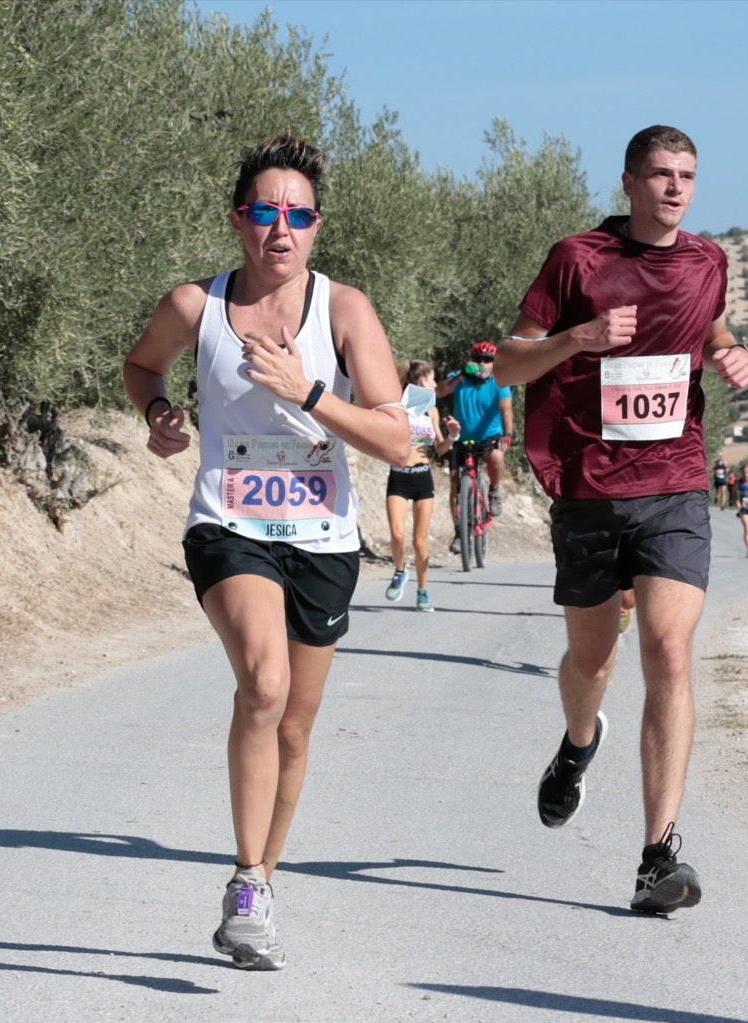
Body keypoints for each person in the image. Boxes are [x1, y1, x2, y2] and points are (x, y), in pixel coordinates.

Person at [121, 135, 409, 971]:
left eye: (299, 215)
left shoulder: (345, 310)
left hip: (323, 538)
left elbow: (396, 438)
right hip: (229, 525)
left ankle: (264, 881)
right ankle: (245, 880)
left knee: (294, 724)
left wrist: (309, 392)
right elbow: (143, 367)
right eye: (264, 212)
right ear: (238, 220)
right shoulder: (195, 307)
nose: (280, 230)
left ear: (318, 226)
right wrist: (160, 413)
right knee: (264, 682)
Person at [494, 124, 748, 915]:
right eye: (661, 174)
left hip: (674, 483)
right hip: (587, 488)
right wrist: (578, 337)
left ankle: (657, 854)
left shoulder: (710, 261)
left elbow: (705, 325)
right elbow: (508, 361)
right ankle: (579, 743)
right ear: (629, 184)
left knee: (669, 651)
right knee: (593, 661)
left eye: (688, 175)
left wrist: (731, 350)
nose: (675, 188)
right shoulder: (578, 259)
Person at [385, 360, 452, 611]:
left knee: (420, 541)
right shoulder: (398, 406)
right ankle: (400, 571)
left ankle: (423, 592)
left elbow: (440, 448)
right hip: (398, 475)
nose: (435, 384)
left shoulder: (431, 410)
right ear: (421, 380)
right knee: (397, 533)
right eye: (432, 379)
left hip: (423, 476)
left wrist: (453, 436)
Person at [437, 341, 514, 523]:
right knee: (455, 482)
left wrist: (508, 435)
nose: (482, 363)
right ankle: (459, 531)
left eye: (487, 360)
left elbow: (506, 409)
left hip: (489, 437)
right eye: (478, 359)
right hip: (461, 438)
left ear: (494, 362)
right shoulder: (460, 377)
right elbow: (439, 392)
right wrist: (462, 375)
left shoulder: (499, 381)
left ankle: (493, 491)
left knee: (496, 456)